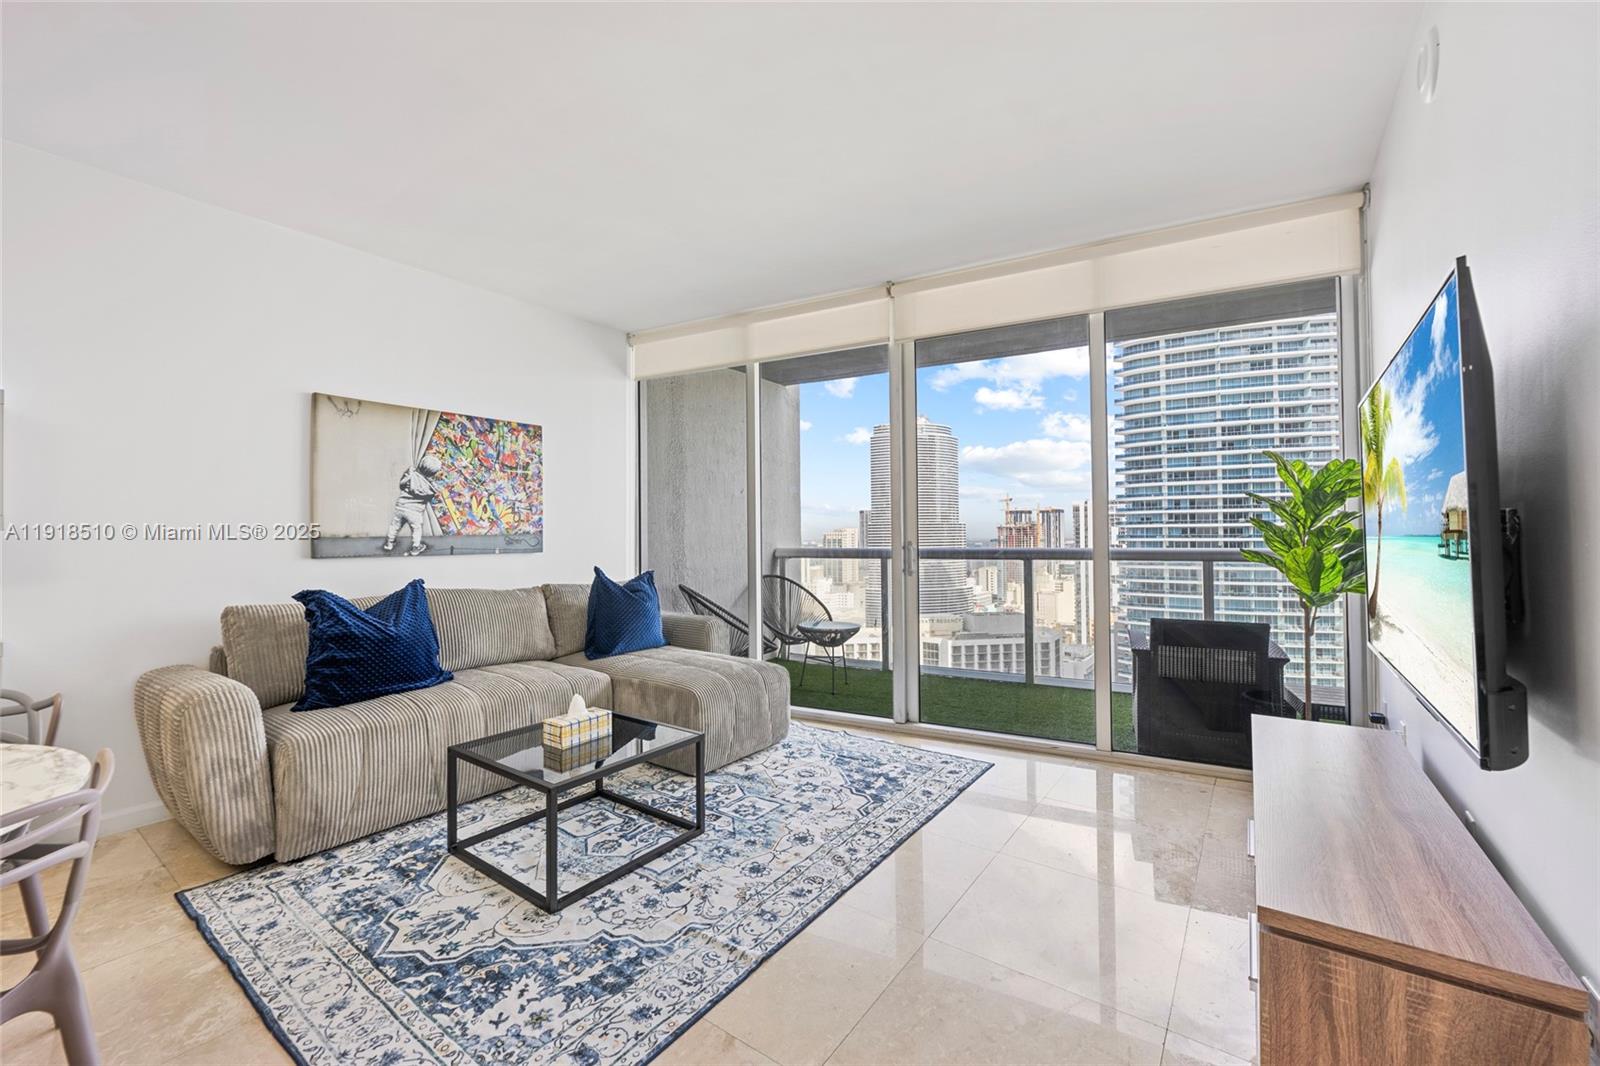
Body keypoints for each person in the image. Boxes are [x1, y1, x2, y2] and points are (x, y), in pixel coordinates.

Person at [382, 454, 442, 556]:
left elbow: (401, 485)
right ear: (433, 473)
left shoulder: (411, 475)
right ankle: (415, 548)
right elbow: (429, 498)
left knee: (395, 526)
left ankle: (389, 544)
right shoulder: (430, 488)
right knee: (416, 529)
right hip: (415, 512)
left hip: (401, 506)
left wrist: (408, 474)